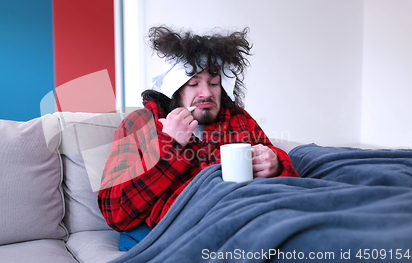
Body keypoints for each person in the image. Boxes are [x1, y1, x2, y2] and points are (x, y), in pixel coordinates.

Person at [98, 26, 299, 248]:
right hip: (189, 235)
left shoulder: (238, 119)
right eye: (194, 83)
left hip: (251, 221)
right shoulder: (139, 124)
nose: (206, 93)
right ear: (174, 89)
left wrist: (277, 163)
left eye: (214, 83)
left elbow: (286, 182)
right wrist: (170, 145)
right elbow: (114, 210)